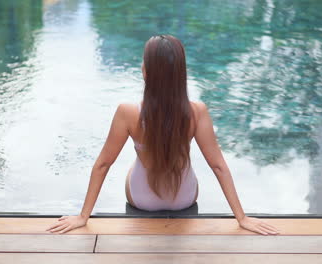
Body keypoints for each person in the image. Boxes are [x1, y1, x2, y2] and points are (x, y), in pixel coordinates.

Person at [46, 35, 280, 236]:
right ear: (181, 73)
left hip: (142, 199)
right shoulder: (197, 111)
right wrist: (242, 218)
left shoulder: (127, 112)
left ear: (146, 71)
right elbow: (218, 165)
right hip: (184, 198)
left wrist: (83, 216)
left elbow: (103, 164)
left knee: (136, 161)